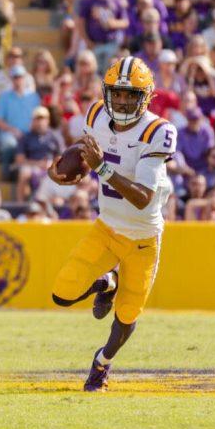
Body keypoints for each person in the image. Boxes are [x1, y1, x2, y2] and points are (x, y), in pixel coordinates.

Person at [47, 57, 175, 392]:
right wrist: (65, 165)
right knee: (62, 293)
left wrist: (101, 168)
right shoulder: (95, 115)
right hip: (106, 227)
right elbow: (87, 149)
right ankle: (108, 283)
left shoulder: (157, 130)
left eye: (129, 95)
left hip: (144, 237)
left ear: (145, 97)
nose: (120, 101)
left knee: (128, 315)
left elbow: (143, 197)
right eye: (116, 94)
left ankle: (102, 364)